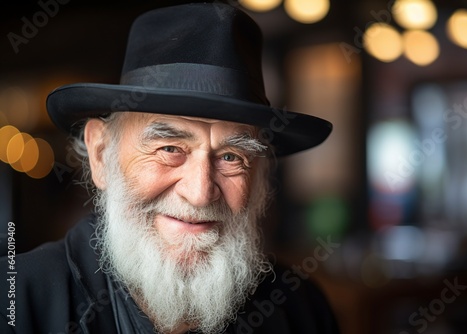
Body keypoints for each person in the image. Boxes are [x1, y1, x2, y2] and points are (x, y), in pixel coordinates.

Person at [1, 3, 339, 333]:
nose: (200, 193)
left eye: (232, 157)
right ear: (101, 155)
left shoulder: (299, 308)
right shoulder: (16, 304)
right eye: (169, 149)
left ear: (260, 176)